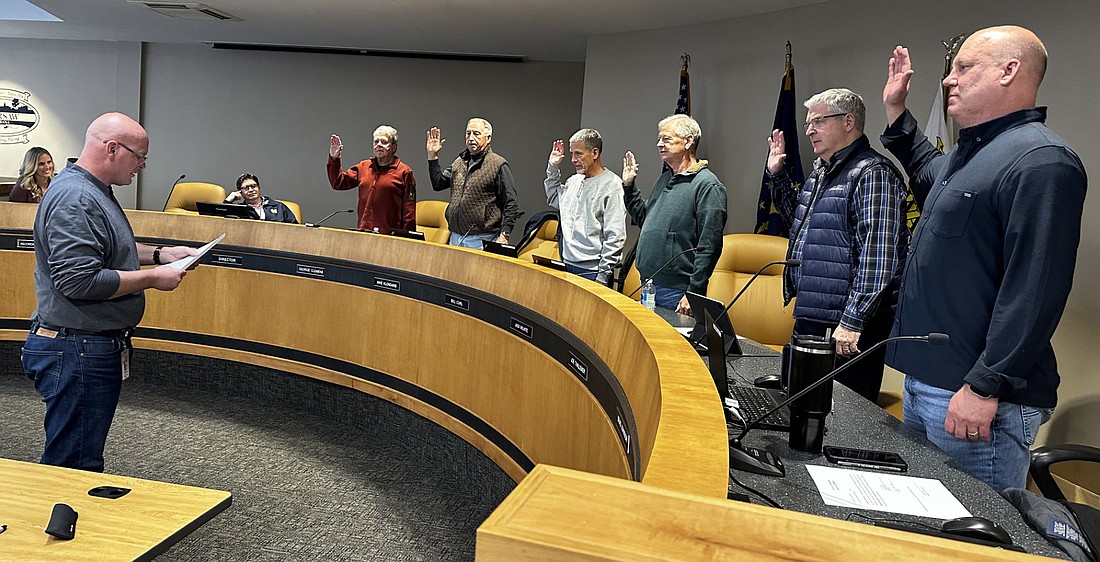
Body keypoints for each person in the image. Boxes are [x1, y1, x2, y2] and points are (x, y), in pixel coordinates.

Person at [881, 26, 1087, 491]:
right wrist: (896, 113)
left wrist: (984, 386)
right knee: (929, 521)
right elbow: (923, 168)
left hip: (975, 398)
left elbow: (1034, 289)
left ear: (1009, 71)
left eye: (963, 68)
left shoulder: (1042, 161)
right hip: (928, 384)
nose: (949, 80)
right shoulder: (969, 153)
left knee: (976, 538)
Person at [22, 112, 198, 472]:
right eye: (139, 157)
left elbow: (107, 248)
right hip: (77, 348)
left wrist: (163, 255)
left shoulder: (92, 190)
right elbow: (80, 281)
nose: (142, 166)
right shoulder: (77, 197)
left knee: (78, 453)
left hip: (82, 346)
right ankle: (60, 525)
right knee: (73, 462)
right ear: (113, 149)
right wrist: (152, 277)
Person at [765, 88, 909, 403]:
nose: (809, 130)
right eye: (807, 123)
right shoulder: (821, 174)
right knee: (802, 407)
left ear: (848, 122)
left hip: (845, 325)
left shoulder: (873, 173)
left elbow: (879, 255)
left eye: (818, 121)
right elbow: (799, 223)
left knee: (843, 418)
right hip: (814, 312)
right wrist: (777, 176)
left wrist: (853, 320)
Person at [622, 114, 727, 314]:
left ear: (688, 141)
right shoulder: (664, 179)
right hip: (649, 285)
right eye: (659, 139)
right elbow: (645, 219)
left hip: (677, 292)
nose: (659, 144)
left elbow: (710, 246)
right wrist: (629, 186)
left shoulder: (708, 185)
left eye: (666, 139)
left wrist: (694, 292)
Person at [544, 129, 627, 283]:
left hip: (592, 271)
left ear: (594, 153)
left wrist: (602, 276)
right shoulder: (573, 181)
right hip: (566, 264)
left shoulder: (612, 186)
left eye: (578, 154)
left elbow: (615, 237)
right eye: (572, 154)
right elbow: (554, 198)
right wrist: (553, 168)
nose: (573, 159)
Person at [426, 118, 520, 248]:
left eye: (476, 134)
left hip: (482, 238)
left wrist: (504, 234)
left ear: (488, 138)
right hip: (455, 236)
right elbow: (438, 184)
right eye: (468, 133)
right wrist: (432, 156)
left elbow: (511, 203)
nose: (470, 138)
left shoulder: (498, 164)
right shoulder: (459, 162)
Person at [327, 125, 416, 232]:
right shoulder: (364, 166)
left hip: (390, 235)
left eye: (383, 142)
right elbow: (338, 182)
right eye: (376, 141)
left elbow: (409, 209)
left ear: (394, 147)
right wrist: (334, 159)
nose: (379, 145)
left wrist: (408, 237)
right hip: (364, 231)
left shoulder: (404, 172)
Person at [225, 173, 299, 223]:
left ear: (259, 188)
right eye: (246, 188)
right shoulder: (238, 210)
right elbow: (218, 222)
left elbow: (296, 229)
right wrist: (228, 201)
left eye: (253, 186)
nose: (251, 190)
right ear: (240, 192)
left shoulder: (279, 207)